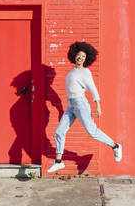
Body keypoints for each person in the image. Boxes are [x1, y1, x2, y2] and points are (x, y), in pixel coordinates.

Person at [47, 41, 122, 173]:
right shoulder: (72, 71)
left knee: (92, 131)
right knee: (59, 131)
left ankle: (115, 146)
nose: (80, 57)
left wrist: (97, 105)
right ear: (74, 55)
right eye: (79, 55)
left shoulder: (85, 72)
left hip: (80, 104)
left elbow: (93, 89)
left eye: (83, 56)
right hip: (71, 105)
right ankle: (58, 161)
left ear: (86, 59)